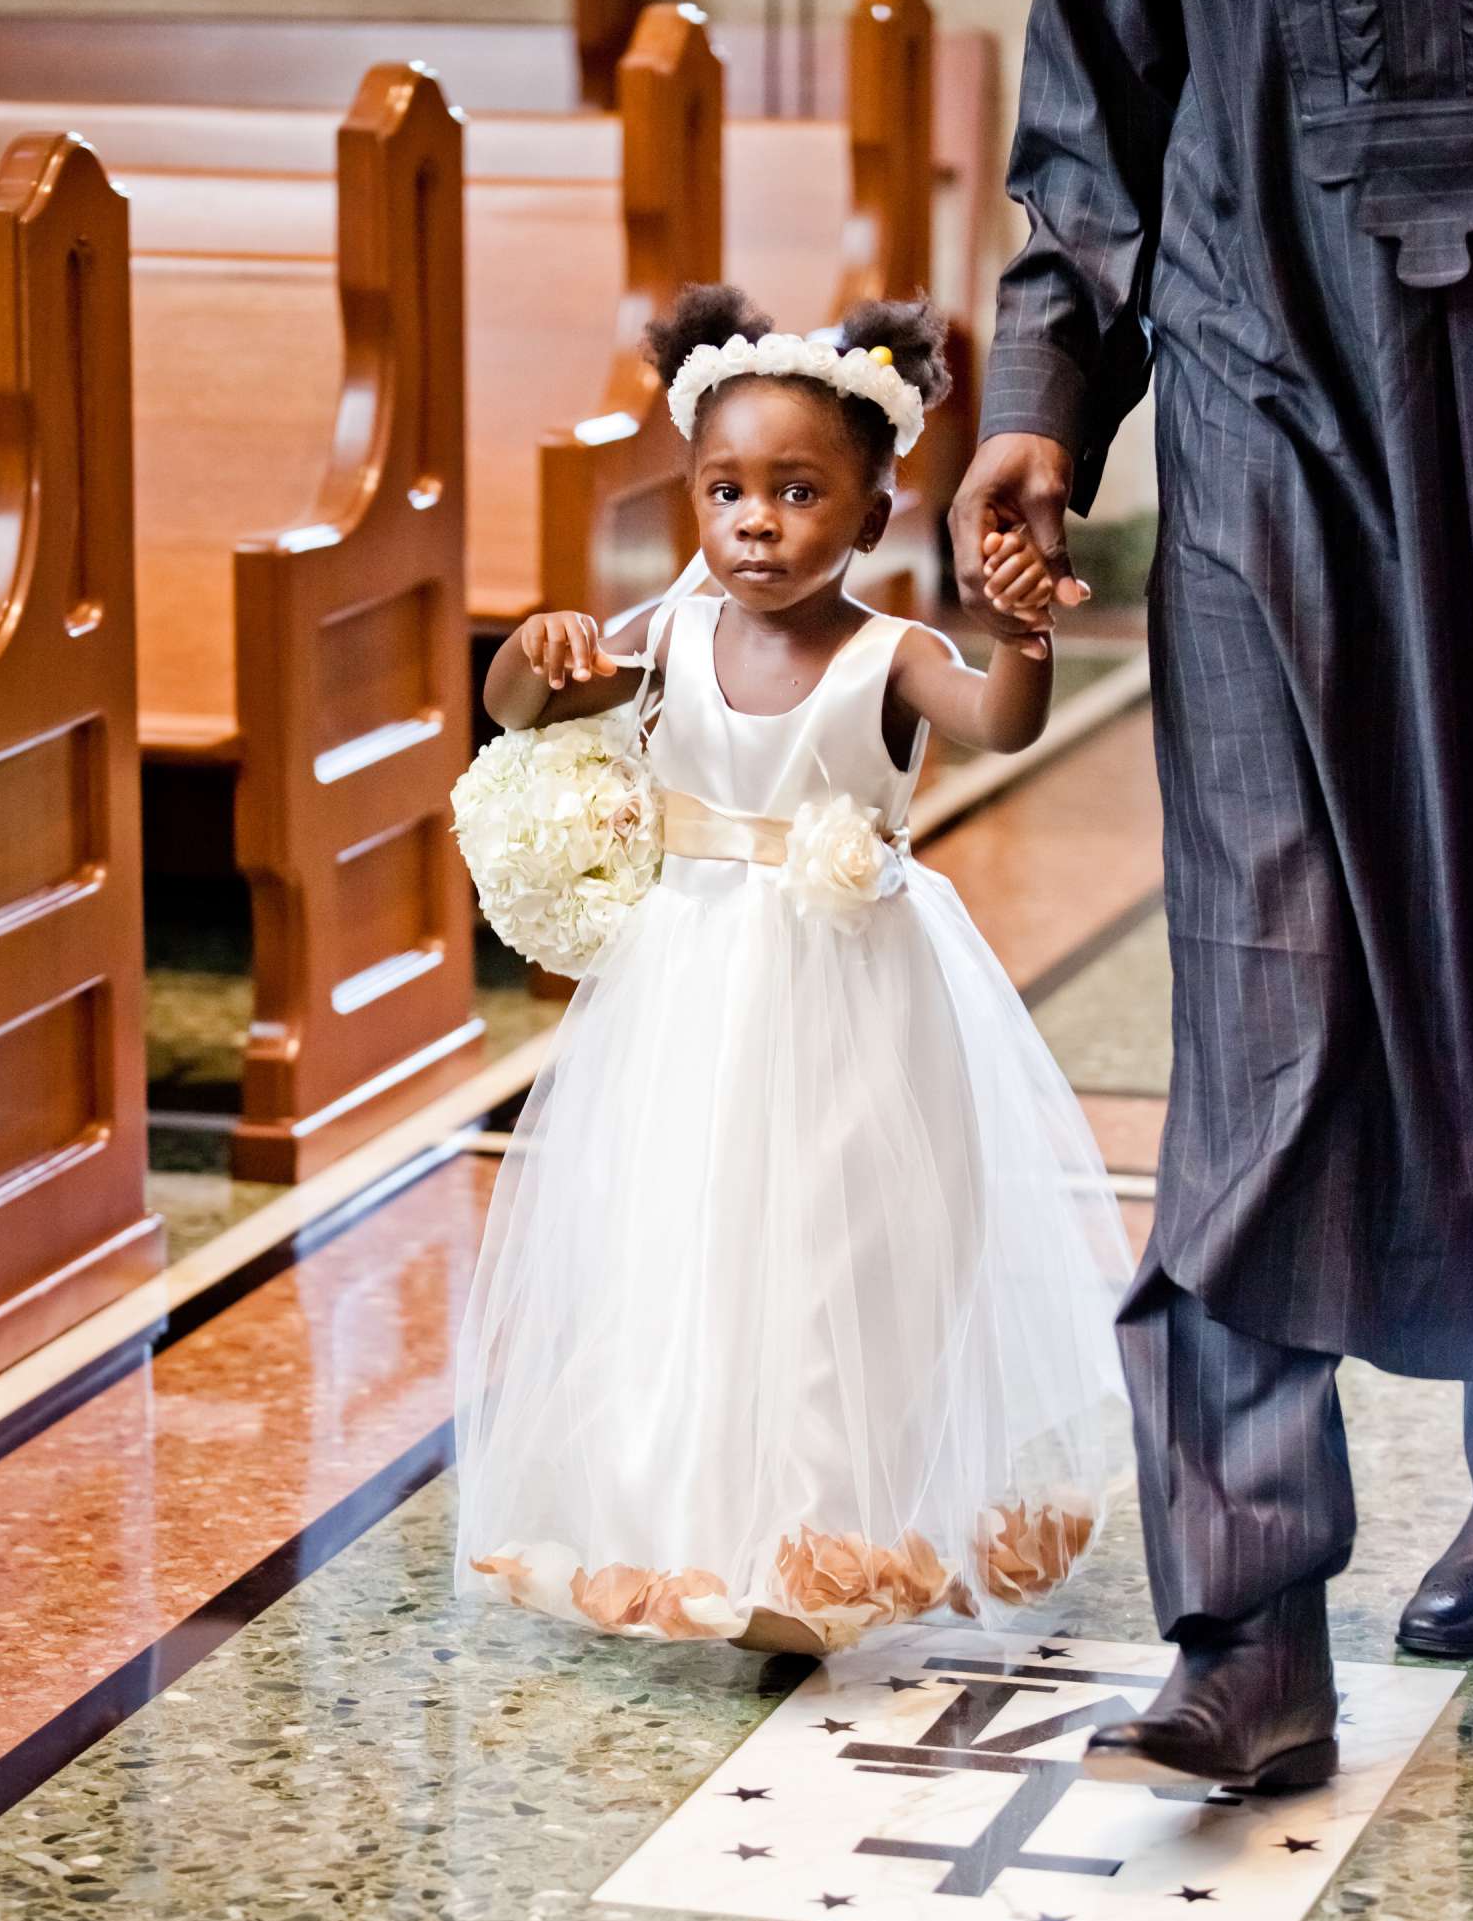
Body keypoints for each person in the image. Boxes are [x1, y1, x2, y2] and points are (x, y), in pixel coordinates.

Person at [951, 0, 1473, 1789]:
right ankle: (1247, 1623)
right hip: (1258, 396)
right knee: (1267, 979)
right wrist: (1043, 397)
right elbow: (1097, 112)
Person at [455, 284, 1131, 1655]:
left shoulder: (892, 656)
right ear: (693, 502)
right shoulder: (666, 638)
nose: (757, 522)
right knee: (685, 1236)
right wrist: (529, 660)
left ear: (873, 518)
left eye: (800, 492)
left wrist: (1026, 632)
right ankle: (685, 1524)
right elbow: (521, 710)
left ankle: (821, 1532)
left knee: (836, 1253)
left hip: (848, 1001)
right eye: (727, 492)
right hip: (690, 993)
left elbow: (1000, 723)